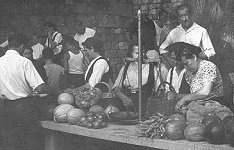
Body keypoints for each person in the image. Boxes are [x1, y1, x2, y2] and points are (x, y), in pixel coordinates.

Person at [0, 33, 50, 150]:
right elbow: (40, 88)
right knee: (32, 142)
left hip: (6, 108)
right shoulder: (24, 62)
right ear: (21, 47)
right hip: (25, 108)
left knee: (10, 143)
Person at [175, 44, 233, 122]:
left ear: (194, 57)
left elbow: (205, 92)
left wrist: (184, 99)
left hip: (215, 104)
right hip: (199, 106)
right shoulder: (188, 72)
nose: (185, 67)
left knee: (193, 116)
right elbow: (194, 94)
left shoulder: (207, 66)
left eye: (187, 63)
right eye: (183, 65)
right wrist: (178, 96)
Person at [111, 43, 168, 116]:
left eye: (142, 52)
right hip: (127, 104)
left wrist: (154, 104)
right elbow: (116, 87)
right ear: (131, 53)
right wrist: (123, 97)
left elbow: (159, 89)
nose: (140, 55)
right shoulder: (125, 68)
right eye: (137, 53)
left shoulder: (152, 69)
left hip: (145, 105)